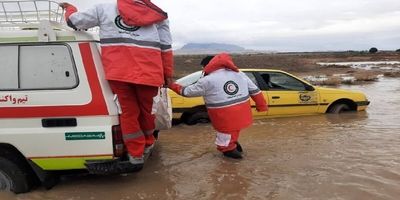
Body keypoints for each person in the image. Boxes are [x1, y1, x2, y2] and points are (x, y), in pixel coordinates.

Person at [60, 0, 174, 170]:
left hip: (118, 72)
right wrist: (168, 76)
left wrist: (70, 9)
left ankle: (135, 155)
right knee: (148, 112)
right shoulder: (157, 15)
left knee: (129, 113)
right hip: (149, 73)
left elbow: (74, 21)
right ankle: (148, 144)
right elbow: (166, 48)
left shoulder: (103, 8)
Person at [169, 53, 268, 159]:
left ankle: (235, 169)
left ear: (207, 66)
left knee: (225, 146)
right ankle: (238, 158)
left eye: (203, 67)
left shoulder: (207, 80)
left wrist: (171, 84)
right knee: (232, 136)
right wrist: (261, 106)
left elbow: (187, 92)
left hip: (224, 117)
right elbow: (255, 91)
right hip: (242, 114)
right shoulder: (239, 74)